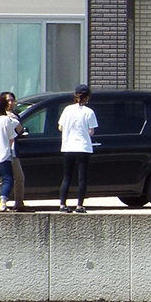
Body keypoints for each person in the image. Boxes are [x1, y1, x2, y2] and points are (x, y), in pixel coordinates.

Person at [58, 84, 98, 214]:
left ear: (75, 95)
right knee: (82, 178)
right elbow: (91, 131)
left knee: (67, 177)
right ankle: (79, 206)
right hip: (83, 147)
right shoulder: (89, 112)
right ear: (87, 97)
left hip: (68, 147)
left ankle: (62, 204)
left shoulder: (67, 109)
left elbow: (60, 127)